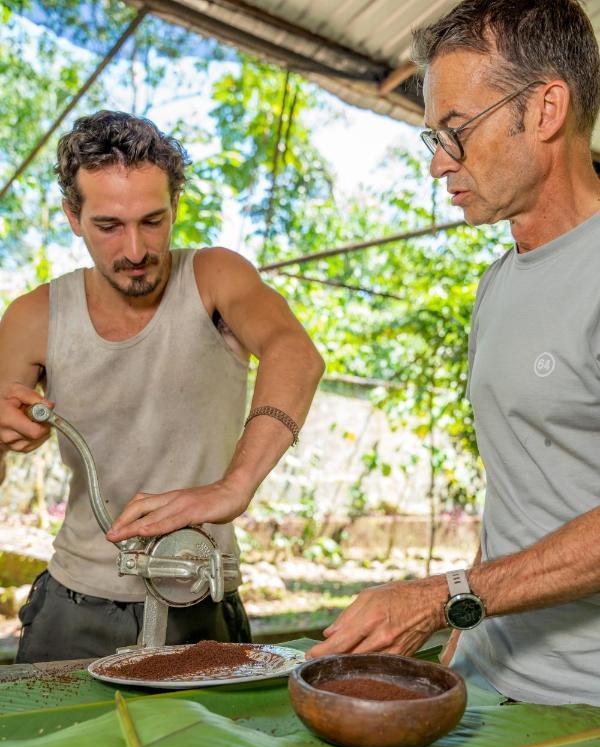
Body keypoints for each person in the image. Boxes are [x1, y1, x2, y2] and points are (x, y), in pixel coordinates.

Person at [309, 0, 600, 706]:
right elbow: (522, 491)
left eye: (457, 131)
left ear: (545, 109)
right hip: (490, 675)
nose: (439, 164)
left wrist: (444, 596)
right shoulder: (498, 284)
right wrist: (460, 638)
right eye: (432, 137)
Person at [0, 110, 324, 662]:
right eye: (109, 226)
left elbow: (296, 353)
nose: (134, 249)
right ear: (73, 217)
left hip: (201, 592)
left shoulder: (216, 277)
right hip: (75, 602)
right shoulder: (34, 316)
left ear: (176, 207)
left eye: (153, 221)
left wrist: (233, 487)